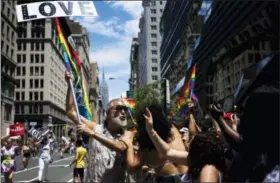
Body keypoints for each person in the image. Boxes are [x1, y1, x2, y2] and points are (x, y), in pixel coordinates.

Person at [65, 71, 135, 183]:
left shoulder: (128, 135)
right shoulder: (96, 128)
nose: (123, 112)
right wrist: (70, 85)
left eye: (125, 110)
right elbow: (71, 112)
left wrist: (92, 133)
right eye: (118, 108)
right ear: (107, 113)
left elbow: (120, 147)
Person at [140, 107, 228, 182]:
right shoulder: (196, 160)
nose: (188, 140)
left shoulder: (208, 170)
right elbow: (167, 152)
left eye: (195, 140)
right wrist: (151, 130)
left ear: (203, 150)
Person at [121, 105, 188, 183]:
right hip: (186, 177)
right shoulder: (175, 131)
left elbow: (132, 167)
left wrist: (128, 144)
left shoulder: (148, 146)